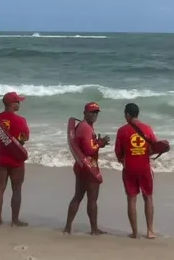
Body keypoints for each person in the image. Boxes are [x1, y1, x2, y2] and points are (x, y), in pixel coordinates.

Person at [63, 102, 110, 235]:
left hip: (80, 165)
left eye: (96, 112)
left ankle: (67, 227)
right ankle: (94, 229)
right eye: (92, 112)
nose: (94, 115)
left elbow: (84, 146)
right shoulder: (86, 128)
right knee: (92, 200)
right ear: (85, 113)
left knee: (77, 197)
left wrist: (97, 143)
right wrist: (99, 144)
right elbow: (89, 150)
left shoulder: (81, 126)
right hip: (89, 167)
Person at [115, 103, 158, 239]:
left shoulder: (122, 131)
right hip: (145, 168)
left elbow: (118, 152)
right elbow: (154, 148)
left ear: (127, 114)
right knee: (148, 197)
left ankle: (134, 233)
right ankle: (150, 231)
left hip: (129, 169)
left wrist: (123, 160)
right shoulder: (148, 128)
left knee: (131, 199)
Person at [0, 92, 30, 227]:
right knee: (17, 189)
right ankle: (14, 220)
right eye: (18, 102)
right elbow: (24, 138)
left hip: (1, 157)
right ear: (12, 104)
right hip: (16, 159)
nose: (19, 104)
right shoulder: (21, 121)